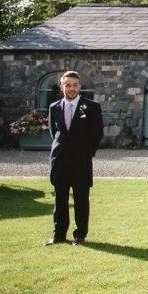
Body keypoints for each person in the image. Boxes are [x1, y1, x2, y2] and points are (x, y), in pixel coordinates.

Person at [45, 70, 104, 246]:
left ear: (80, 86)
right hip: (60, 160)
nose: (71, 88)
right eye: (67, 85)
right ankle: (59, 235)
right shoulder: (54, 107)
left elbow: (97, 133)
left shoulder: (92, 107)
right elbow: (54, 133)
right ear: (61, 86)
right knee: (60, 199)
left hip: (81, 161)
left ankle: (80, 235)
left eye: (75, 85)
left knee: (81, 200)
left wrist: (86, 152)